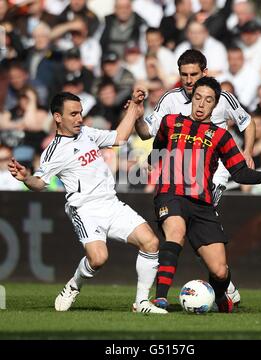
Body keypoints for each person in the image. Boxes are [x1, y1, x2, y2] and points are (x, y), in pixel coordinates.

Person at [7, 90, 167, 314]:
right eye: (73, 114)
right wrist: (26, 178)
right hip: (85, 209)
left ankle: (141, 303)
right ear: (57, 117)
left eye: (80, 113)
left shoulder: (87, 133)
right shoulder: (53, 152)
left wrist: (134, 107)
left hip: (110, 203)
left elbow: (119, 137)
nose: (79, 118)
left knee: (150, 242)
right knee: (99, 258)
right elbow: (40, 183)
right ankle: (74, 285)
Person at [148, 77, 261, 311]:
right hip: (170, 194)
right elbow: (158, 146)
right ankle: (160, 298)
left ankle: (219, 298)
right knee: (175, 232)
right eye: (197, 98)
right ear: (191, 99)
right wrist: (154, 162)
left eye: (208, 101)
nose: (201, 104)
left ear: (214, 105)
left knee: (219, 270)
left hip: (202, 204)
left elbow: (240, 173)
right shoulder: (171, 122)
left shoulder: (220, 136)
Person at [135, 49, 256, 305]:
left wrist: (247, 151)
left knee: (194, 229)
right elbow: (149, 134)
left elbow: (247, 122)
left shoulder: (223, 98)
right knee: (180, 228)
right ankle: (215, 287)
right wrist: (137, 118)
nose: (189, 80)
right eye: (184, 75)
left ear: (204, 73)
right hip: (178, 181)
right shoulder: (170, 101)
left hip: (217, 175)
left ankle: (221, 281)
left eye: (194, 75)